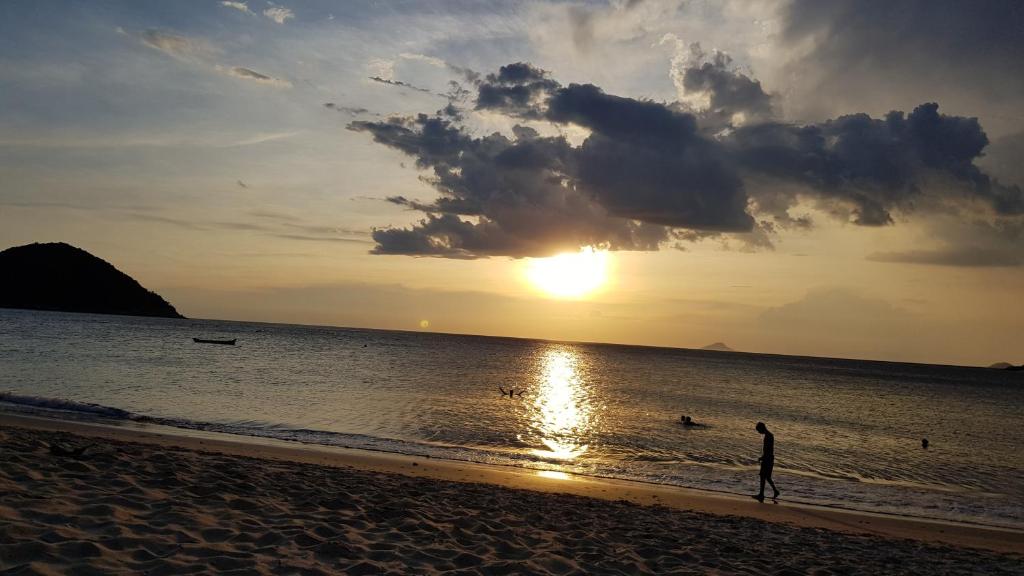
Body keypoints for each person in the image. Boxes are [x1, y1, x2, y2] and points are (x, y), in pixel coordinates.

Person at [753, 421, 779, 502]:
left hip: (767, 459)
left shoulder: (768, 436)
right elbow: (769, 450)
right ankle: (775, 491)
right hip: (770, 458)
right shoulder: (770, 435)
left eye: (758, 430)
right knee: (767, 477)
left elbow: (767, 450)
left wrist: (762, 458)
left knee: (763, 476)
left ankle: (761, 494)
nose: (759, 432)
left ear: (762, 428)